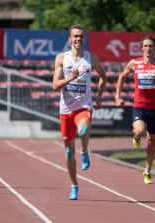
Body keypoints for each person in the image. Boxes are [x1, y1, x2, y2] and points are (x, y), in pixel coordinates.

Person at [53, 24, 107, 200]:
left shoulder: (91, 58)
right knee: (69, 152)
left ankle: (84, 151)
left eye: (81, 36)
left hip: (83, 106)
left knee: (83, 131)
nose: (78, 39)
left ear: (84, 39)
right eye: (75, 36)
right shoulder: (61, 58)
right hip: (66, 109)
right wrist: (71, 77)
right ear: (69, 38)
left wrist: (98, 99)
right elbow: (55, 86)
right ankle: (74, 185)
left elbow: (103, 77)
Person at [115, 36, 155, 184]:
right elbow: (122, 77)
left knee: (151, 141)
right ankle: (136, 137)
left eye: (151, 46)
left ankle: (147, 170)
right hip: (139, 106)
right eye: (146, 46)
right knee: (139, 131)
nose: (148, 49)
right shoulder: (134, 63)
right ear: (141, 48)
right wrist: (117, 96)